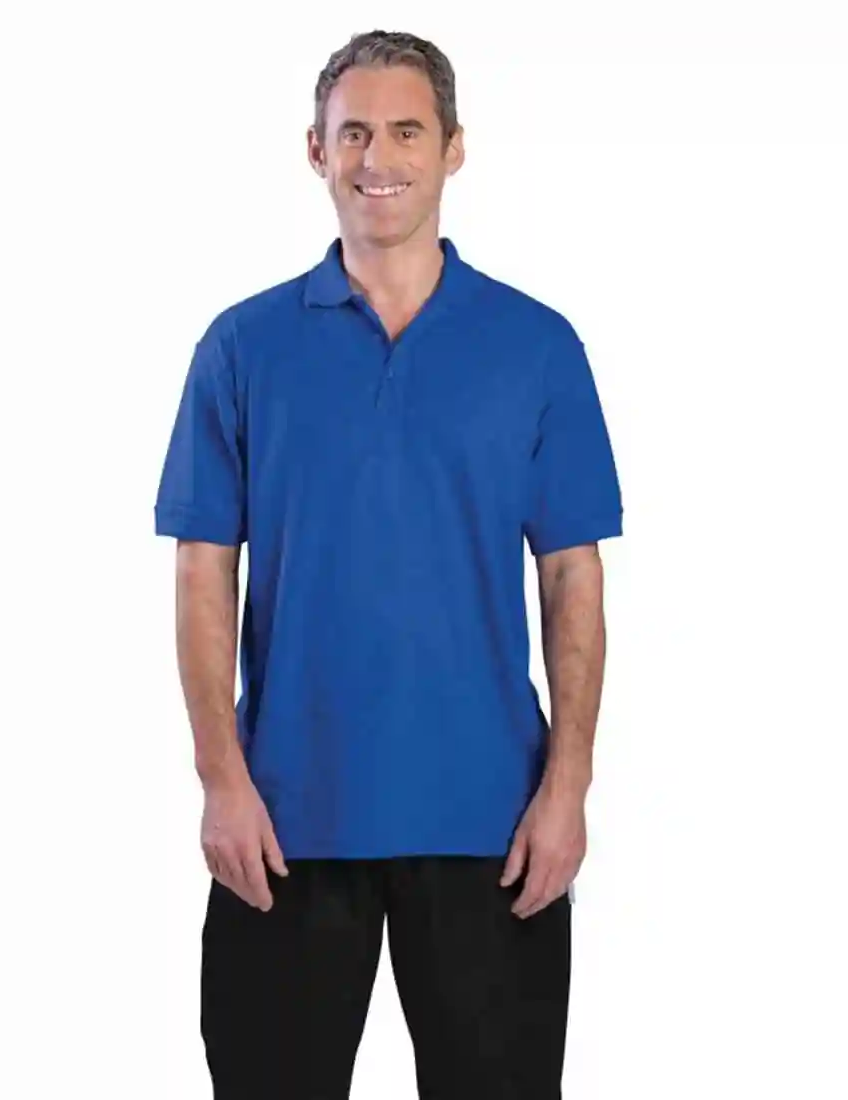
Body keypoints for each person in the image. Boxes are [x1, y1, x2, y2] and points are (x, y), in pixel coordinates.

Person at [153, 28, 624, 1100]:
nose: (379, 157)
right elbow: (201, 573)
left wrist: (568, 788)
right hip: (283, 818)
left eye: (407, 131)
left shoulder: (536, 346)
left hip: (492, 821)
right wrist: (221, 780)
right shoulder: (242, 347)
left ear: (453, 148)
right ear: (315, 150)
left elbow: (571, 579)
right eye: (354, 131)